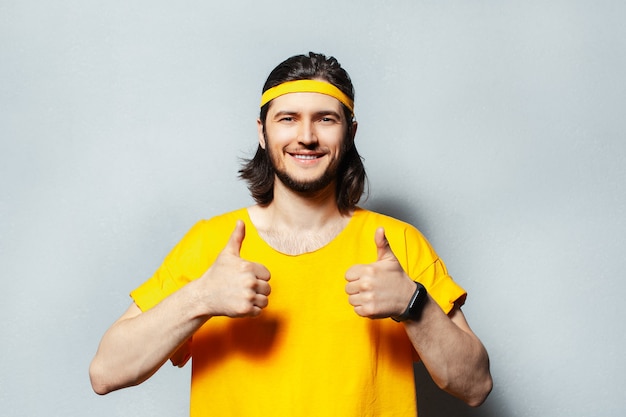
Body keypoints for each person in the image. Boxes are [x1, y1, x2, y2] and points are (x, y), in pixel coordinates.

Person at [89, 52, 492, 416]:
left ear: (350, 134)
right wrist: (201, 297)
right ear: (262, 132)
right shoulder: (210, 243)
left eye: (325, 118)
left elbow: (476, 386)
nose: (307, 136)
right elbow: (106, 372)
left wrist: (413, 304)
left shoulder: (397, 243)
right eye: (288, 118)